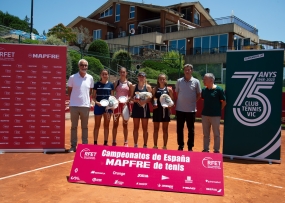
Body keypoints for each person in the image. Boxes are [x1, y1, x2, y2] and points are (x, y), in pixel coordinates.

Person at [67, 59, 94, 152]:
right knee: (74, 127)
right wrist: (74, 100)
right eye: (82, 65)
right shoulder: (72, 77)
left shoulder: (90, 78)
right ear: (79, 66)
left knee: (85, 127)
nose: (84, 67)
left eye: (86, 65)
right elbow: (69, 91)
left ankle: (84, 146)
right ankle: (73, 146)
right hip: (74, 105)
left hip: (85, 106)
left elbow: (90, 91)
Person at [175, 64, 201, 151]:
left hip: (191, 110)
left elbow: (198, 95)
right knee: (179, 129)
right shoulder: (179, 81)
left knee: (191, 129)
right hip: (180, 109)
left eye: (189, 70)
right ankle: (180, 145)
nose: (187, 71)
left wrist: (192, 102)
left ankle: (190, 147)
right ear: (184, 71)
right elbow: (177, 93)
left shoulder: (196, 82)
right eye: (186, 70)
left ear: (192, 71)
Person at [201, 73, 226, 153]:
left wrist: (218, 109)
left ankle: (216, 150)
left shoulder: (219, 90)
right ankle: (206, 149)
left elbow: (224, 102)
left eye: (205, 79)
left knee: (216, 134)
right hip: (205, 115)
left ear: (211, 80)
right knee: (206, 134)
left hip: (215, 116)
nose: (203, 80)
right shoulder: (204, 90)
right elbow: (203, 100)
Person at [130, 72, 152, 148]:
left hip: (145, 109)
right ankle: (135, 144)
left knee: (145, 128)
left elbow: (151, 98)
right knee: (135, 127)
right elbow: (131, 97)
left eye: (143, 76)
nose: (141, 78)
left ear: (145, 78)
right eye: (140, 76)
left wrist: (144, 102)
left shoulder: (148, 87)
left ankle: (145, 145)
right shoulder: (133, 86)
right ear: (138, 78)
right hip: (136, 108)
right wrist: (134, 100)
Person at [152, 74, 174, 149]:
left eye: (163, 79)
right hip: (157, 110)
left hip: (166, 111)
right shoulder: (155, 89)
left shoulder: (169, 90)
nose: (162, 80)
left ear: (166, 80)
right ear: (158, 80)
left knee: (165, 129)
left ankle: (165, 146)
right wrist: (154, 104)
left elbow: (171, 101)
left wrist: (170, 107)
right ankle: (155, 145)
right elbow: (153, 99)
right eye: (160, 79)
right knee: (156, 129)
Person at [92, 69, 114, 146]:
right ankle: (95, 143)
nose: (105, 76)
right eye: (103, 74)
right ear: (100, 75)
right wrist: (97, 102)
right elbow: (93, 97)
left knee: (106, 125)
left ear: (108, 75)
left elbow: (112, 97)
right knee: (97, 125)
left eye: (106, 74)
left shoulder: (111, 85)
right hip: (98, 107)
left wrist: (111, 105)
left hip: (107, 108)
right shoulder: (96, 84)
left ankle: (105, 142)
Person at [112, 67, 132, 147]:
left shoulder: (129, 84)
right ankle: (114, 141)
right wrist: (114, 100)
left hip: (125, 105)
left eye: (124, 72)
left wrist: (128, 100)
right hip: (117, 105)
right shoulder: (116, 82)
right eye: (121, 72)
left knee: (125, 124)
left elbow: (131, 95)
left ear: (126, 73)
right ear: (119, 73)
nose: (122, 73)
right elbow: (112, 93)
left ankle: (126, 142)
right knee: (115, 124)